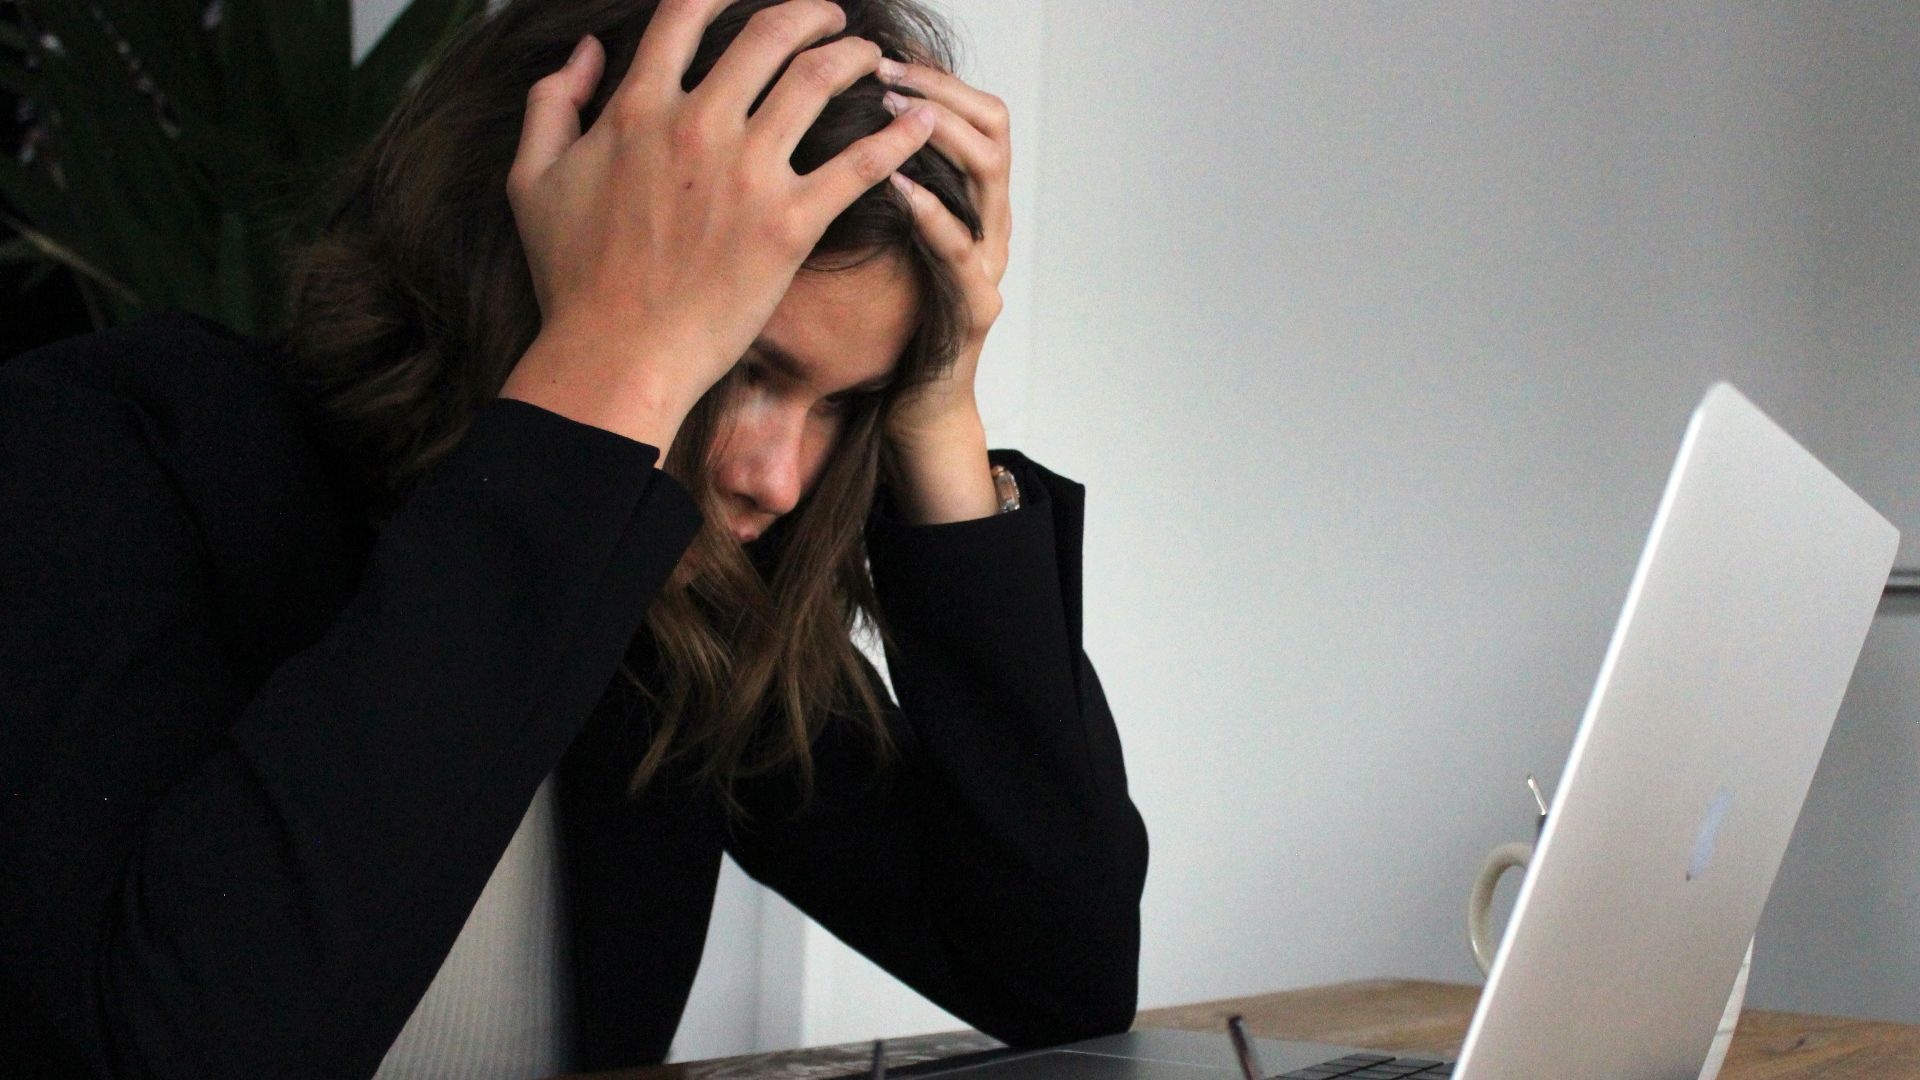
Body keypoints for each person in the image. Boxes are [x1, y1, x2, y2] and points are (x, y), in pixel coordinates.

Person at [0, 0, 1148, 1076]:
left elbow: (1057, 975)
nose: (777, 478)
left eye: (845, 402)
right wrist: (612, 371)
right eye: (742, 360)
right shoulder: (106, 449)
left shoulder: (670, 596)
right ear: (527, 247)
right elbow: (181, 1045)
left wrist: (938, 408)